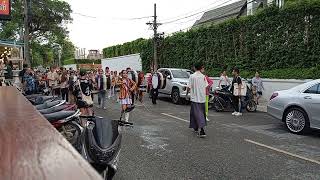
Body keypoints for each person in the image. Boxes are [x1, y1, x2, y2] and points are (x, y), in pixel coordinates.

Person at [186, 62, 208, 138]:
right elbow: (206, 86)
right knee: (194, 113)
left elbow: (189, 87)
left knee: (198, 114)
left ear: (195, 68)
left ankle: (202, 130)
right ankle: (195, 127)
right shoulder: (203, 76)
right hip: (202, 98)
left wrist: (186, 94)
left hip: (195, 98)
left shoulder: (192, 76)